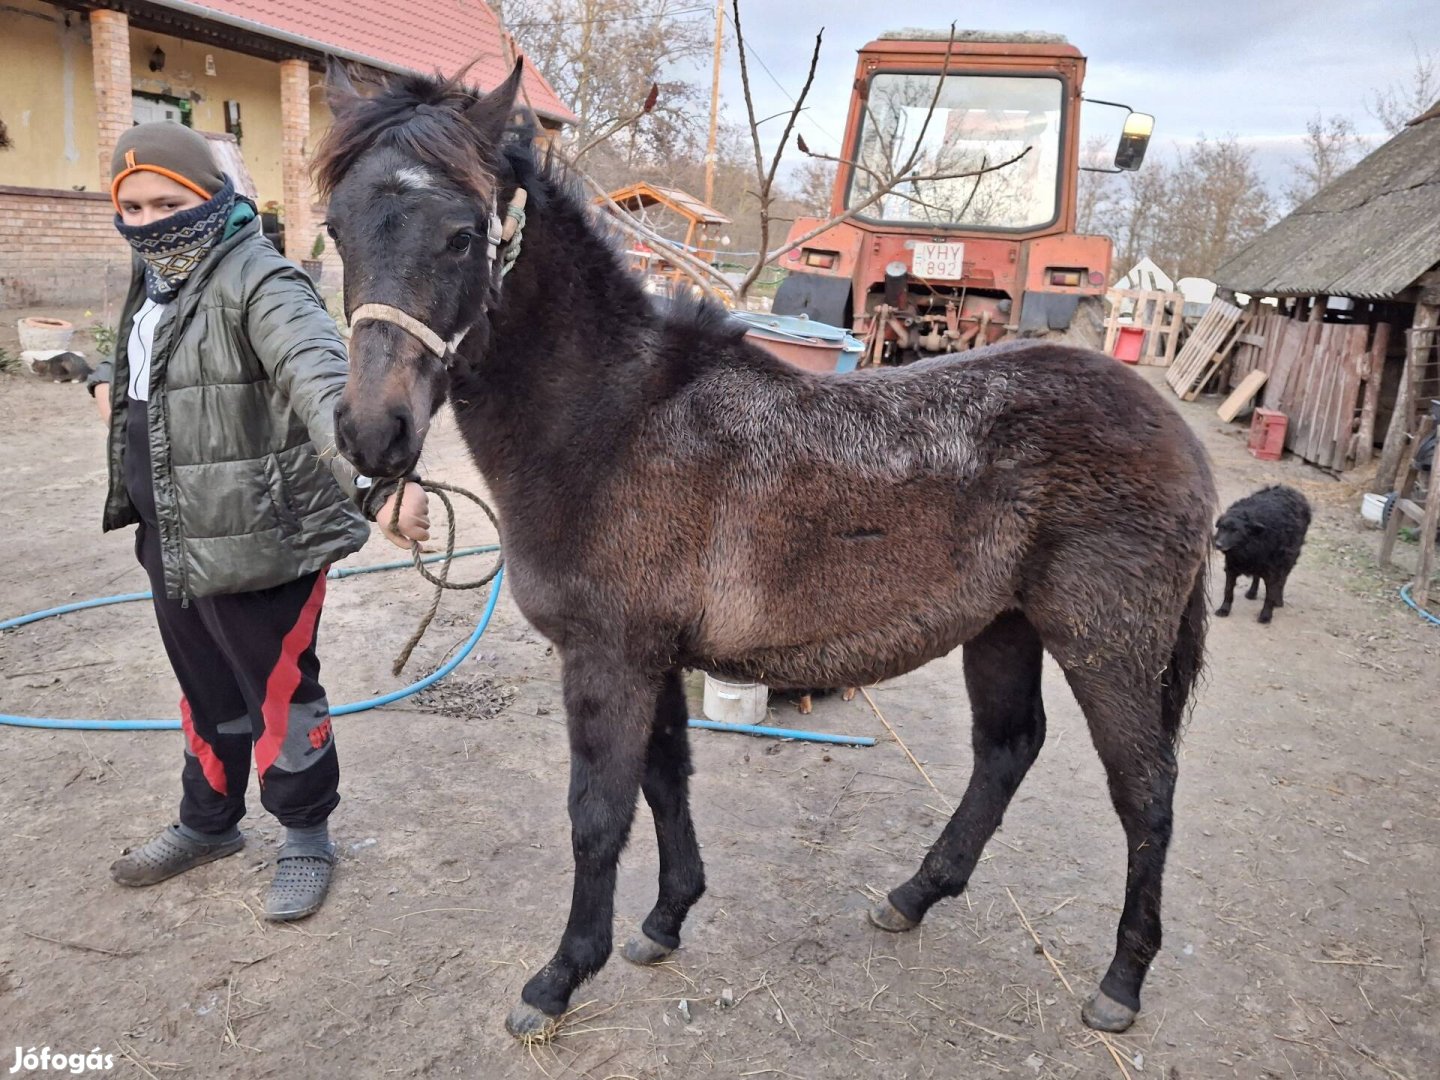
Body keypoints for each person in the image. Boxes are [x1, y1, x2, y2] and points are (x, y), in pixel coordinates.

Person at [85, 121, 429, 920]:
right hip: (170, 530)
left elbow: (319, 381)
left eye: (167, 202)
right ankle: (208, 825)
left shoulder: (261, 281)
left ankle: (307, 837)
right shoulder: (154, 278)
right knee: (203, 689)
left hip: (263, 539)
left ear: (212, 197)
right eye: (130, 206)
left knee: (279, 693)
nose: (146, 221)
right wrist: (101, 383)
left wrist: (375, 486)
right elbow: (143, 363)